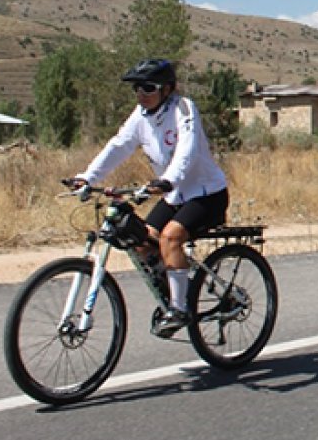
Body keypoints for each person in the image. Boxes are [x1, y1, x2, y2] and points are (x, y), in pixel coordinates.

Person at [71, 59, 229, 337]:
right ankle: (175, 288)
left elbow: (187, 151)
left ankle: (180, 309)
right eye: (136, 89)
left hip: (206, 193)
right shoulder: (141, 115)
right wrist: (88, 177)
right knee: (142, 240)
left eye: (148, 87)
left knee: (170, 237)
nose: (141, 94)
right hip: (175, 194)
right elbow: (119, 145)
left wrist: (167, 180)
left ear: (167, 89)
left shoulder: (183, 108)